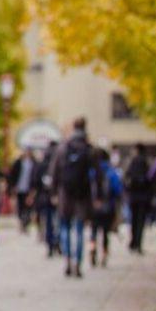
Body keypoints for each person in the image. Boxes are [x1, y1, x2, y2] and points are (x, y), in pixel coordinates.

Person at [52, 118, 103, 278]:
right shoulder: (89, 149)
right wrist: (98, 195)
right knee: (80, 229)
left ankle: (67, 259)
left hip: (65, 194)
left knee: (65, 227)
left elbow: (54, 172)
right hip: (82, 194)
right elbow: (98, 175)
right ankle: (77, 263)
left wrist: (54, 192)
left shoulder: (63, 148)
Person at [89, 149, 122, 268]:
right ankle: (104, 255)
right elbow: (118, 190)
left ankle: (92, 248)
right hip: (108, 207)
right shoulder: (111, 172)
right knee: (105, 233)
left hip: (93, 207)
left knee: (93, 231)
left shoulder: (91, 172)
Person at [124, 145, 155, 254]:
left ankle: (133, 242)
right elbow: (151, 180)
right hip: (143, 198)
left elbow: (126, 179)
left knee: (133, 220)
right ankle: (138, 244)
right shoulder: (146, 163)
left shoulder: (132, 162)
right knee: (141, 221)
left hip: (133, 197)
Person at [35, 141, 60, 257]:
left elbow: (34, 181)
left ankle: (50, 245)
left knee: (49, 222)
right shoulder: (59, 162)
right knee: (58, 221)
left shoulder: (42, 164)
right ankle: (58, 243)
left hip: (44, 198)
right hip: (58, 198)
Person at [8, 149, 38, 232]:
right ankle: (22, 223)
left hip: (29, 190)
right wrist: (13, 187)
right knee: (20, 207)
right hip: (19, 189)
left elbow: (35, 177)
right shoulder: (18, 162)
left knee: (28, 208)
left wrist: (34, 189)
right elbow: (12, 174)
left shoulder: (34, 163)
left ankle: (25, 223)